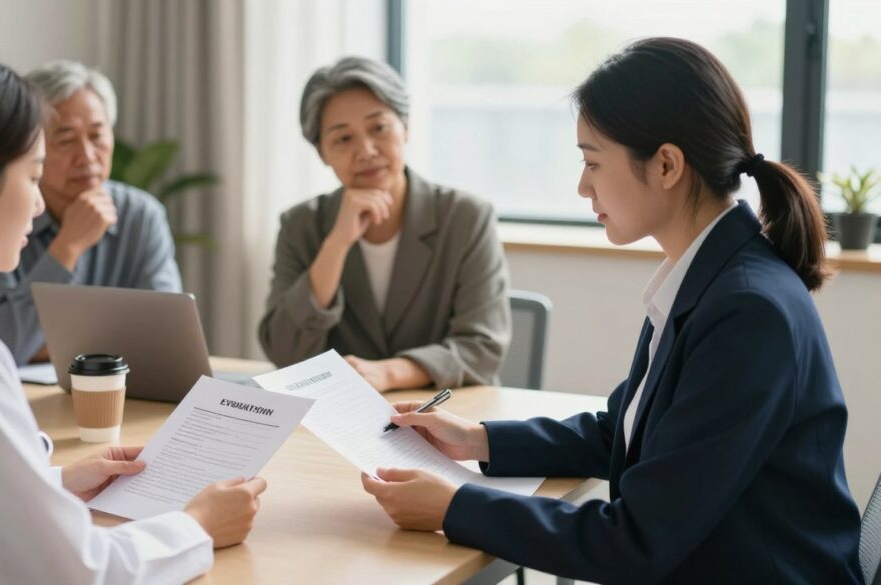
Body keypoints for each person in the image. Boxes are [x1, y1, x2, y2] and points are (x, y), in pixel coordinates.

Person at [361, 38, 864, 583]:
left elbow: (635, 542)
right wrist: (478, 439)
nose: (582, 186)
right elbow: (622, 434)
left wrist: (453, 506)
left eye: (592, 162)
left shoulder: (746, 311)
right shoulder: (710, 278)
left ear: (667, 164)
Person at [0, 48, 265, 584]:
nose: (36, 204)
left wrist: (49, 482)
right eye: (33, 175)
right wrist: (197, 525)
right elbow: (76, 573)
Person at [258, 56, 510, 392]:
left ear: (405, 127)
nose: (365, 150)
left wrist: (391, 373)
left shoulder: (465, 217)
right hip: (340, 420)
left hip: (447, 414)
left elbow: (483, 347)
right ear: (322, 153)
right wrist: (336, 244)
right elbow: (284, 352)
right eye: (343, 139)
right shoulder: (301, 224)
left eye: (379, 128)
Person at [0, 60, 182, 365]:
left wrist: (54, 345)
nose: (87, 157)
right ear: (29, 147)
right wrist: (67, 248)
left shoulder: (141, 216)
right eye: (65, 140)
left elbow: (167, 339)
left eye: (97, 135)